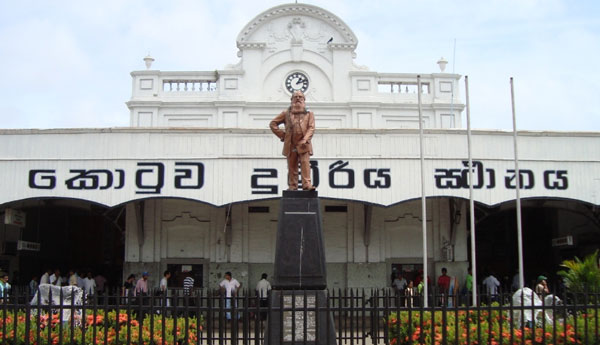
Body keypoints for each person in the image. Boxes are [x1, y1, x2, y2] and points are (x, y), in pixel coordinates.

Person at [269, 91, 316, 191]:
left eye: (300, 97)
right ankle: (293, 185)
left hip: (304, 144)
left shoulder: (309, 113)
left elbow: (311, 128)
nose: (298, 99)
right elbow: (273, 124)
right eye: (295, 97)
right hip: (291, 144)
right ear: (291, 100)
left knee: (305, 163)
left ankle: (307, 184)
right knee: (292, 165)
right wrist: (283, 136)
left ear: (304, 100)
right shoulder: (286, 113)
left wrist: (305, 139)